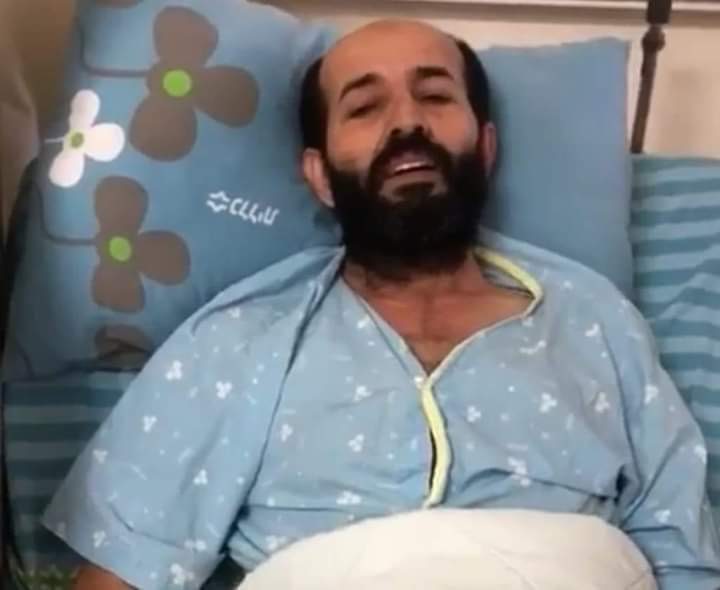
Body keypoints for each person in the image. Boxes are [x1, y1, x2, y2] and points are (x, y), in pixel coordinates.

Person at [44, 19, 720, 590]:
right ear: (319, 176)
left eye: (435, 95)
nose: (407, 122)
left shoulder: (594, 322)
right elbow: (118, 575)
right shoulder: (235, 341)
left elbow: (684, 559)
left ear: (485, 148)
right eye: (365, 108)